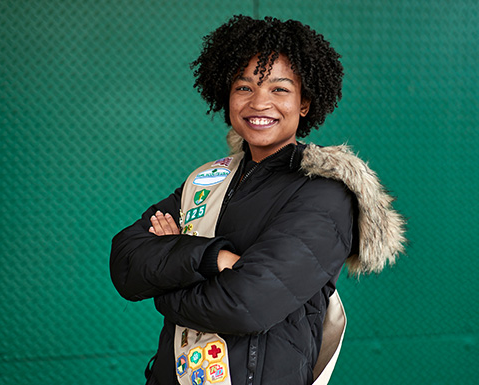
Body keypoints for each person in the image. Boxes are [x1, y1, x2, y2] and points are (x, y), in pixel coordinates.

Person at [110, 15, 405, 385]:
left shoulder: (324, 194)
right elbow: (125, 261)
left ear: (305, 104)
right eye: (244, 87)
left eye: (280, 90)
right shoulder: (209, 179)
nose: (259, 103)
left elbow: (245, 306)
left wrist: (164, 284)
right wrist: (211, 257)